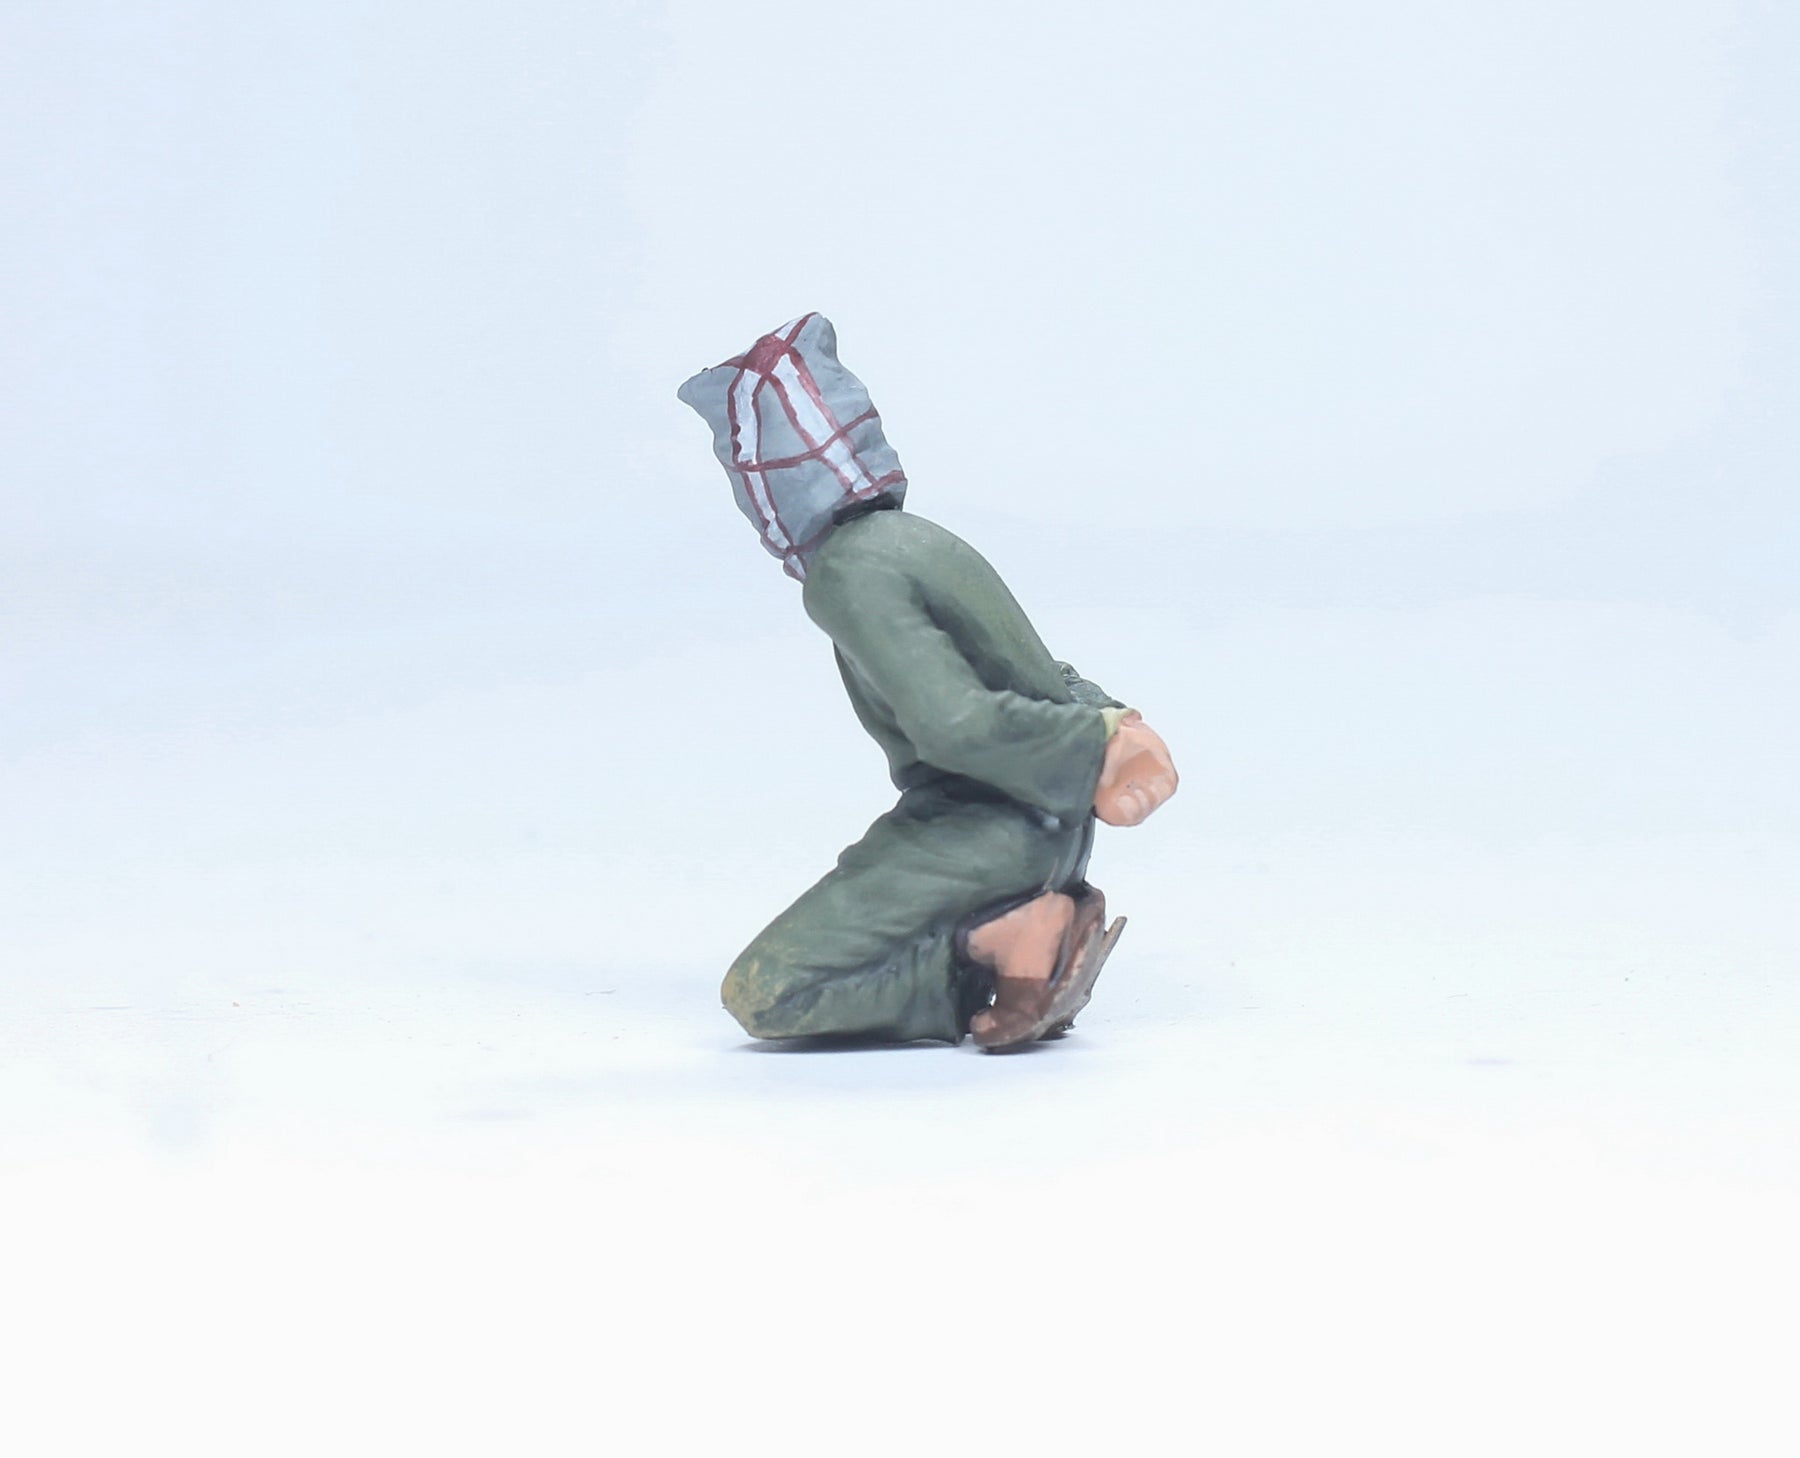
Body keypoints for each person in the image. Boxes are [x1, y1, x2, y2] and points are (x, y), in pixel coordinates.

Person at [678, 314, 1177, 1050]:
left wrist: (1097, 743)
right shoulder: (918, 540)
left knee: (769, 993)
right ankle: (1020, 930)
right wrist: (1117, 724)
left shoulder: (848, 572)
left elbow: (955, 724)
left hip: (984, 830)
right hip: (1052, 827)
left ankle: (997, 941)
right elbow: (1045, 672)